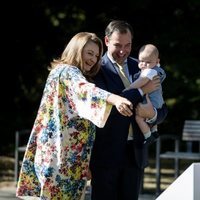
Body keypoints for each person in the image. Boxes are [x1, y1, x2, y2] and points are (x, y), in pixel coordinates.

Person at [16, 32, 135, 200]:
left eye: (96, 55)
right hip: (59, 157)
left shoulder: (63, 72)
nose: (93, 59)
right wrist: (114, 98)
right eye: (89, 53)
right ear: (77, 50)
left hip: (65, 157)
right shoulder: (67, 72)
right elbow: (84, 89)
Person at [89, 20, 168, 200]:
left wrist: (152, 114)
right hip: (105, 154)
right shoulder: (95, 69)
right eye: (118, 45)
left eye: (128, 45)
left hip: (135, 154)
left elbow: (162, 109)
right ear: (107, 41)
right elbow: (108, 108)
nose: (123, 51)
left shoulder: (142, 65)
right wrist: (141, 91)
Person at [130, 44, 166, 145]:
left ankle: (148, 136)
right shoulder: (155, 70)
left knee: (139, 117)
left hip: (153, 102)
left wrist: (128, 89)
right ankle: (154, 131)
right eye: (141, 61)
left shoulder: (150, 71)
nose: (144, 64)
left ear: (157, 62)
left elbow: (141, 82)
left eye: (148, 62)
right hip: (158, 102)